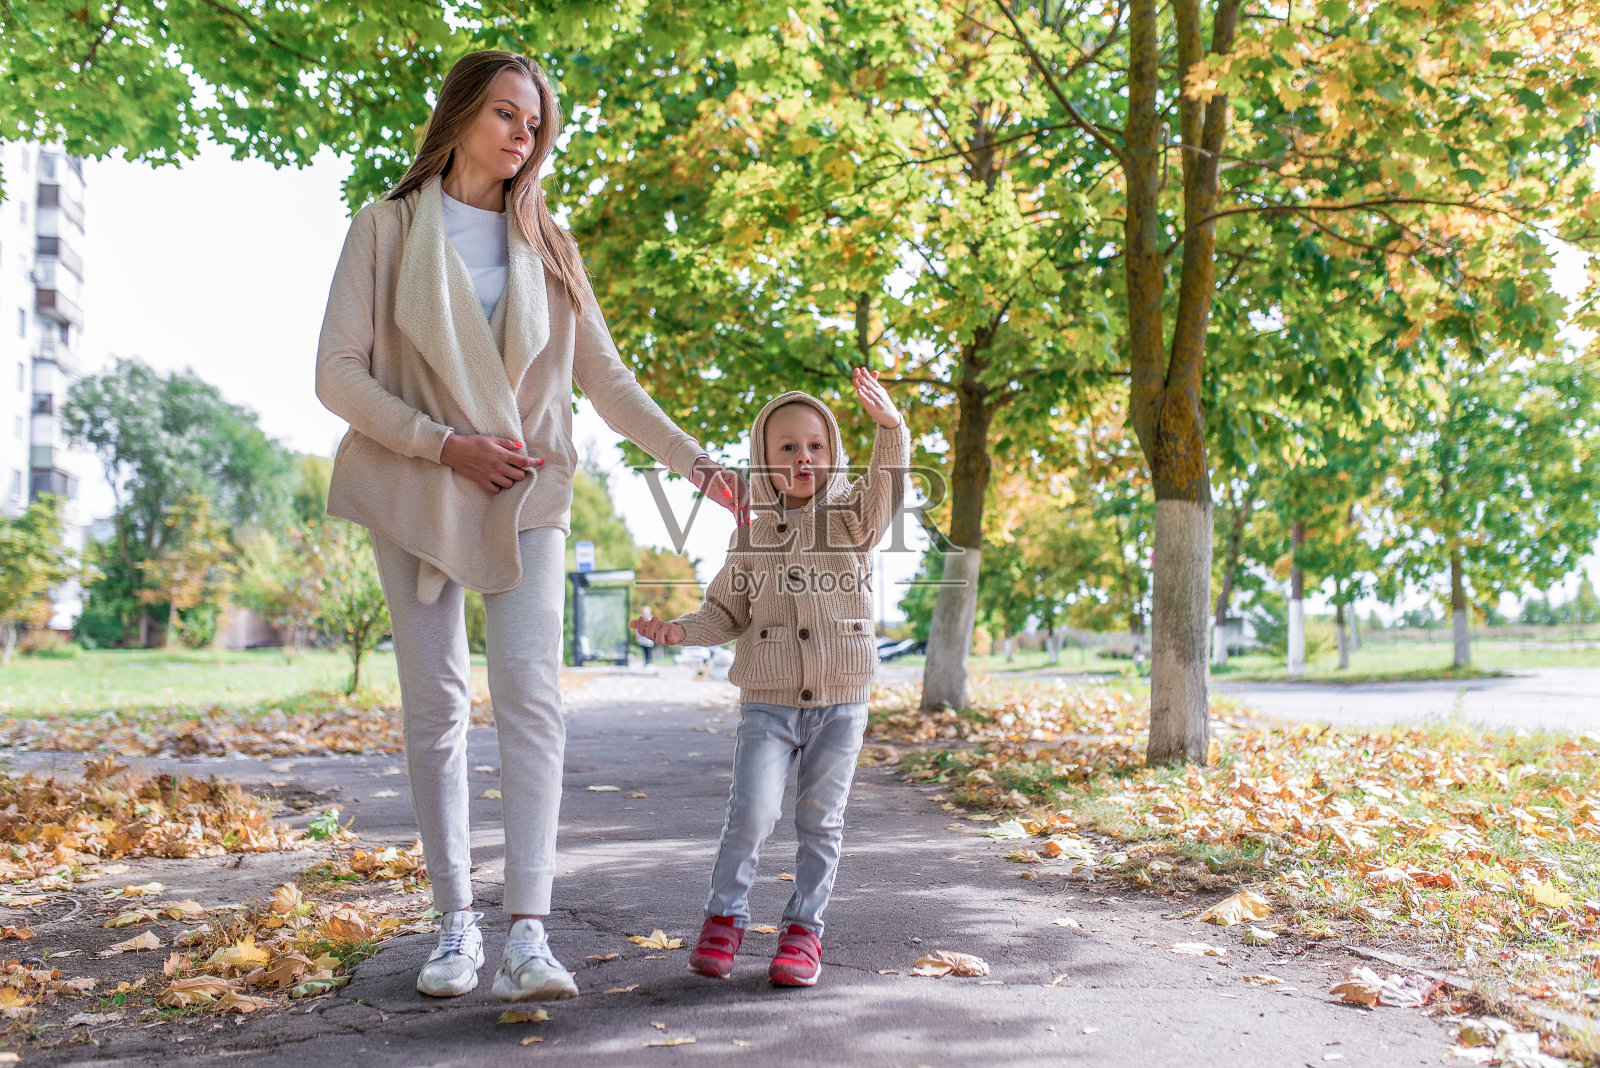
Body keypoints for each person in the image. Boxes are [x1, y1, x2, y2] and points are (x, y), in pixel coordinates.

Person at [315, 49, 748, 1002]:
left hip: (529, 487)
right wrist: (442, 444)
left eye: (537, 122)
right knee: (434, 707)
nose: (525, 134)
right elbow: (336, 374)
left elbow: (608, 380)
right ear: (462, 113)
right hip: (421, 482)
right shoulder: (384, 230)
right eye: (509, 113)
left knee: (531, 697)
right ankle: (453, 926)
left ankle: (527, 936)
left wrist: (698, 462)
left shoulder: (549, 242)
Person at [631, 368, 907, 987]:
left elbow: (888, 485)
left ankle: (804, 931)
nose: (803, 457)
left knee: (820, 819)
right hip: (768, 702)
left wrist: (890, 429)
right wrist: (680, 630)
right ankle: (724, 919)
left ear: (833, 455)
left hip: (841, 699)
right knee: (752, 812)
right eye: (787, 447)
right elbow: (725, 610)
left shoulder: (853, 519)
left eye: (815, 446)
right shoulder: (752, 533)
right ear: (763, 460)